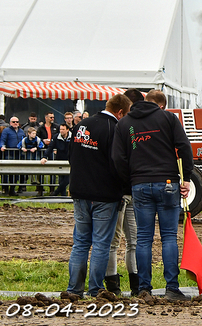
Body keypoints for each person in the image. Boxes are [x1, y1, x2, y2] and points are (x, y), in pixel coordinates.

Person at [112, 89, 193, 301]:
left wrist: (129, 181)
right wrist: (186, 177)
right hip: (167, 182)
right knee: (168, 237)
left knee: (143, 240)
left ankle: (143, 289)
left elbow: (118, 158)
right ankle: (172, 288)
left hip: (139, 184)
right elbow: (184, 147)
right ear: (161, 105)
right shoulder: (168, 118)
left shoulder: (124, 123)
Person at [66, 94, 132, 298]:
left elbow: (72, 156)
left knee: (81, 242)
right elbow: (117, 163)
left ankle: (74, 289)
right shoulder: (115, 128)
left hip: (79, 191)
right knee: (102, 243)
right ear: (120, 112)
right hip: (104, 194)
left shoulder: (82, 125)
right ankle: (95, 289)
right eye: (126, 114)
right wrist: (124, 187)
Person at [104, 89, 144, 296]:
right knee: (130, 241)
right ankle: (130, 285)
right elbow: (129, 156)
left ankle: (116, 285)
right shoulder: (126, 128)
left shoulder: (118, 126)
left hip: (121, 190)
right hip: (126, 190)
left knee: (117, 241)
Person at [41, 123, 72, 196]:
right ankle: (62, 195)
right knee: (61, 178)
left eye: (63, 129)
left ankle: (56, 192)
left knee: (67, 178)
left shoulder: (72, 137)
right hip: (60, 159)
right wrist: (45, 157)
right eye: (60, 129)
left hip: (69, 160)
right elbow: (50, 147)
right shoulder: (56, 137)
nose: (61, 131)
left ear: (67, 130)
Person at [0, 116, 26, 195]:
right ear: (10, 123)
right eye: (14, 122)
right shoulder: (6, 131)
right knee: (6, 172)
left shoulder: (21, 131)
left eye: (17, 122)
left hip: (18, 154)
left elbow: (24, 141)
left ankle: (12, 189)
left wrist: (25, 147)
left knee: (16, 173)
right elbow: (2, 140)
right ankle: (5, 188)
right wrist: (2, 146)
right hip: (9, 154)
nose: (15, 123)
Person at [17, 127, 44, 194]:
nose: (34, 135)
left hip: (36, 158)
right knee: (24, 174)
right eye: (33, 133)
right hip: (27, 159)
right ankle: (22, 187)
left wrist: (36, 148)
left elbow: (42, 145)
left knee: (38, 174)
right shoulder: (24, 140)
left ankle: (40, 188)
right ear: (29, 134)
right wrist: (22, 148)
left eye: (35, 133)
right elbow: (18, 145)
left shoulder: (37, 139)